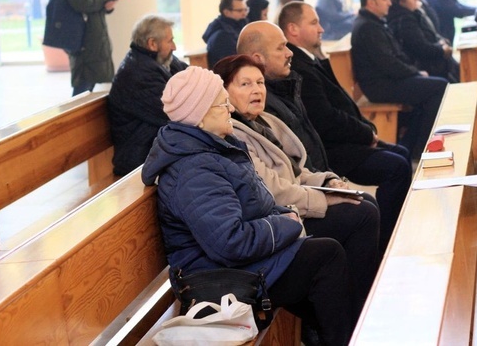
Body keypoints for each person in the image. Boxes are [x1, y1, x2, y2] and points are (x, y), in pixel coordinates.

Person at [142, 66, 353, 345]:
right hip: (217, 279)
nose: (229, 107)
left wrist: (283, 215)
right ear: (200, 115)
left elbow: (258, 203)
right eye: (221, 102)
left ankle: (336, 335)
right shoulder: (194, 170)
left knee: (322, 256)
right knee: (326, 256)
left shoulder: (214, 149)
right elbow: (231, 243)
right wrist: (287, 223)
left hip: (235, 265)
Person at [213, 55, 379, 325]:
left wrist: (327, 181)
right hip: (280, 219)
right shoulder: (234, 135)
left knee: (364, 203)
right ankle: (359, 311)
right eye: (245, 84)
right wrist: (324, 199)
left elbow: (297, 171)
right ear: (224, 93)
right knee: (360, 216)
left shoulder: (265, 121)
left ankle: (358, 301)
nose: (256, 90)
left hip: (294, 206)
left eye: (259, 82)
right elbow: (272, 191)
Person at [279, 1, 411, 250]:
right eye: (314, 22)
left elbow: (342, 100)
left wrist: (366, 129)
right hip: (333, 149)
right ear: (293, 29)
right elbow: (326, 119)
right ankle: (387, 244)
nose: (321, 29)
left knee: (401, 154)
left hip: (346, 139)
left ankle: (396, 233)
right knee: (397, 166)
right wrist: (365, 133)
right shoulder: (298, 67)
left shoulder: (310, 59)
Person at [352, 0, 448, 159]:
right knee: (440, 86)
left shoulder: (374, 23)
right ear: (371, 3)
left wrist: (416, 71)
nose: (389, 3)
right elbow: (388, 63)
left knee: (430, 92)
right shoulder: (367, 27)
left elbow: (396, 57)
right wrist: (416, 73)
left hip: (388, 80)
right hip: (380, 86)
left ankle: (413, 147)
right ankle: (421, 146)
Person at [237, 21, 330, 172]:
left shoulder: (285, 86)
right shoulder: (260, 103)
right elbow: (291, 170)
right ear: (257, 59)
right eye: (281, 48)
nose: (290, 53)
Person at [108, 14, 187, 176]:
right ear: (152, 43)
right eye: (170, 41)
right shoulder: (137, 73)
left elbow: (193, 77)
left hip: (153, 148)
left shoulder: (162, 61)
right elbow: (175, 112)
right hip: (138, 158)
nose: (174, 47)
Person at [387, 0, 459, 82]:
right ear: (402, 1)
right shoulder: (404, 20)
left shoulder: (414, 13)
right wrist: (442, 49)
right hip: (425, 66)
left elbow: (431, 34)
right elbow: (421, 48)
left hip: (433, 59)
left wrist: (442, 43)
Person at [203, 0, 248, 68]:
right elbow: (233, 65)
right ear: (226, 12)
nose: (244, 14)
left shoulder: (239, 26)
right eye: (240, 10)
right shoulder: (222, 35)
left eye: (246, 10)